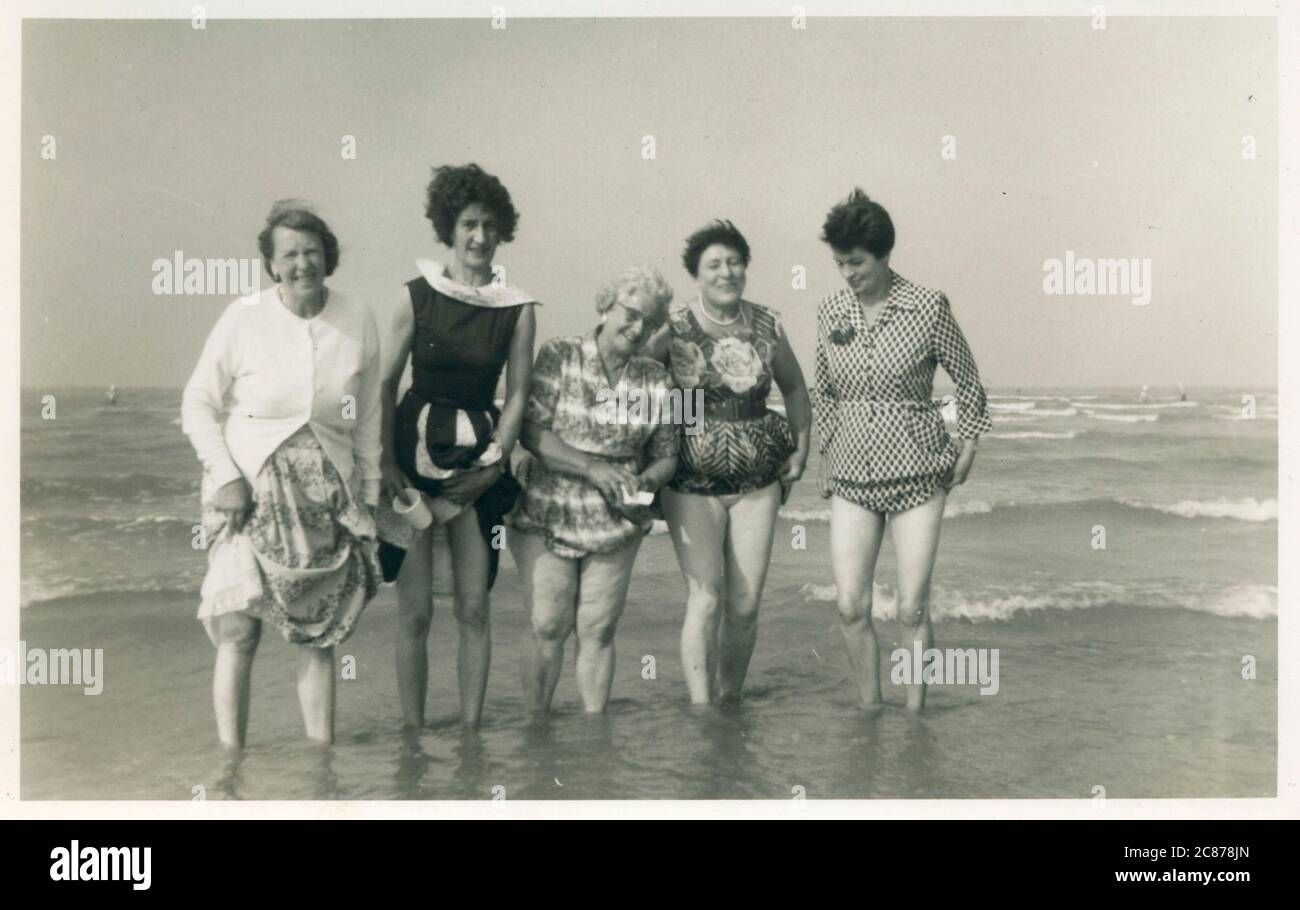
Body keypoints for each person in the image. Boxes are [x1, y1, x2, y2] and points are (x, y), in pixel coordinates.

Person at [181, 200, 383, 748]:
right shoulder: (243, 315)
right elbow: (197, 401)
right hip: (246, 495)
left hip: (325, 498)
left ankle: (323, 765)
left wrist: (367, 494)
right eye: (289, 253)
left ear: (328, 256)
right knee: (239, 629)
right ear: (271, 264)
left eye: (312, 251)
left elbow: (366, 419)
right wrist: (224, 476)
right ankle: (232, 762)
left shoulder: (356, 316)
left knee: (318, 636)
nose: (302, 263)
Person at [812, 189, 992, 711]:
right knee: (850, 606)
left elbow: (968, 379)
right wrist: (825, 452)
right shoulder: (828, 311)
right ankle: (870, 710)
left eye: (857, 262)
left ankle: (915, 716)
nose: (848, 273)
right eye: (839, 262)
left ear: (884, 254)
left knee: (911, 608)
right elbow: (823, 389)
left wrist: (969, 439)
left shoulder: (928, 306)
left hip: (917, 472)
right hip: (850, 473)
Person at [378, 163, 537, 729]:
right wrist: (386, 464)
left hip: (477, 462)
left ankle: (471, 735)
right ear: (448, 227)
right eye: (469, 223)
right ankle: (413, 737)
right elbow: (382, 384)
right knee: (415, 613)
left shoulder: (516, 308)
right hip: (408, 461)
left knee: (475, 608)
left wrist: (493, 468)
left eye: (491, 225)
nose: (479, 236)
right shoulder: (415, 296)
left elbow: (517, 395)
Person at [646, 220, 812, 706]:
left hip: (758, 479)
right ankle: (703, 709)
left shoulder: (768, 324)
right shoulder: (673, 326)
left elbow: (796, 388)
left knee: (743, 605)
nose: (726, 272)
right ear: (695, 274)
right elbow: (636, 386)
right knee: (707, 598)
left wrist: (801, 448)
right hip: (689, 480)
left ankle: (729, 699)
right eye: (714, 265)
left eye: (734, 262)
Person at [510, 266, 679, 715]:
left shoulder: (657, 380)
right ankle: (535, 731)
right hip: (548, 505)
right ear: (607, 305)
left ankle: (593, 737)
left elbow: (668, 454)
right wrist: (593, 469)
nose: (638, 327)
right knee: (548, 624)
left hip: (617, 515)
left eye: (650, 322)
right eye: (631, 313)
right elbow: (530, 431)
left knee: (598, 628)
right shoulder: (559, 354)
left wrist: (649, 481)